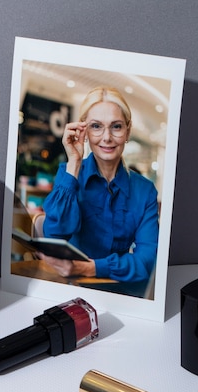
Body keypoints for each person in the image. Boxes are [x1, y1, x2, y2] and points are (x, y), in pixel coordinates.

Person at [40, 86, 159, 287]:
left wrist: (90, 267)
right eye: (96, 126)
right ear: (83, 132)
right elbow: (54, 237)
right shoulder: (68, 173)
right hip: (73, 288)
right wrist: (74, 163)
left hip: (121, 289)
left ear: (128, 131)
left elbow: (147, 262)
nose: (107, 137)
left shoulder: (145, 191)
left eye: (116, 126)